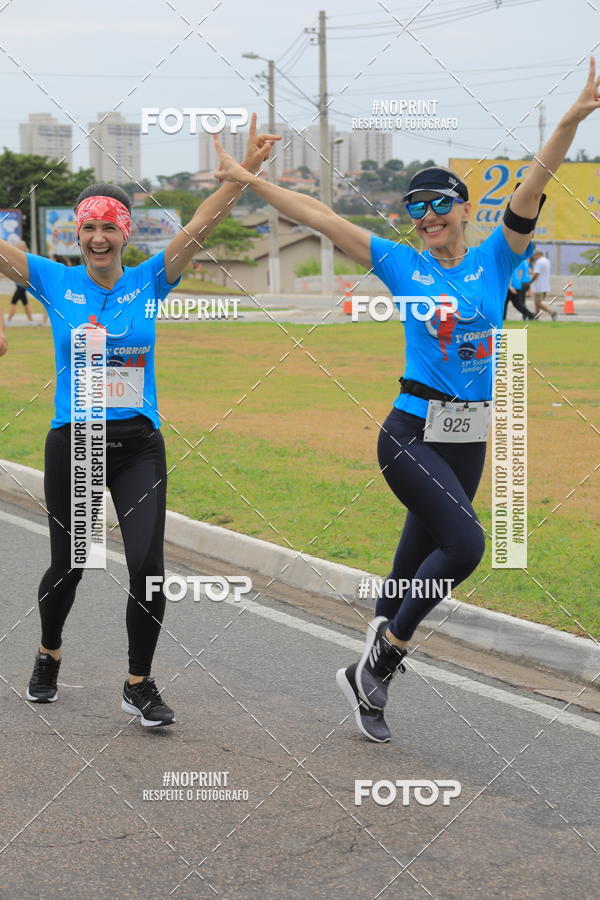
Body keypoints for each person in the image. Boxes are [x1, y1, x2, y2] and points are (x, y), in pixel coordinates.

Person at [214, 58, 600, 742]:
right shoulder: (402, 262)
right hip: (411, 432)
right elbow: (323, 217)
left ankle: (368, 682)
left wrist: (569, 120)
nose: (426, 216)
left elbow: (535, 182)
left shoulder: (497, 258)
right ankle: (387, 656)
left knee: (407, 572)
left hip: (470, 435)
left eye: (439, 204)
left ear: (463, 210)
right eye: (415, 207)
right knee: (466, 544)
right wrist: (251, 181)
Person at [0, 115, 278, 726]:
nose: (98, 238)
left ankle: (139, 682)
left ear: (125, 234)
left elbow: (204, 221)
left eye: (109, 228)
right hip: (76, 439)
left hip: (138, 443)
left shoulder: (152, 279)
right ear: (78, 233)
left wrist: (246, 170)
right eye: (89, 227)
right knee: (72, 562)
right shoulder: (52, 279)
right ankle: (48, 653)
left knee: (147, 564)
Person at [6, 241, 35, 325]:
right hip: (19, 283)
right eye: (18, 246)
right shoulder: (17, 256)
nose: (18, 248)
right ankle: (31, 321)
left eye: (20, 246)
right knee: (25, 302)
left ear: (24, 247)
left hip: (22, 283)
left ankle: (8, 321)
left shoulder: (25, 257)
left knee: (13, 301)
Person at [530, 249, 556, 319]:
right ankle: (536, 317)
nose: (534, 258)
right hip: (545, 285)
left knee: (537, 303)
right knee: (537, 302)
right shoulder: (547, 261)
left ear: (538, 255)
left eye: (534, 256)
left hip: (539, 285)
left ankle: (552, 312)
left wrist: (530, 281)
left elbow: (536, 274)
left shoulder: (539, 262)